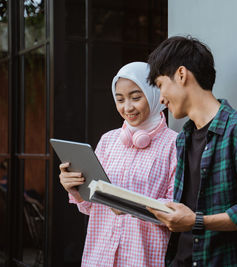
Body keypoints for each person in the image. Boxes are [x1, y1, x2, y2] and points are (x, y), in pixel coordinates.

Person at [147, 36, 237, 267]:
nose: (161, 99)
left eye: (160, 85)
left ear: (181, 74)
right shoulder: (183, 139)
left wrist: (197, 222)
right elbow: (185, 214)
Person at [59, 62, 177, 266]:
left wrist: (128, 205)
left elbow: (175, 213)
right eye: (120, 99)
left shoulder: (175, 144)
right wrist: (75, 189)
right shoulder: (108, 141)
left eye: (136, 97)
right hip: (99, 256)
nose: (127, 107)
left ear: (155, 94)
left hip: (143, 259)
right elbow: (89, 207)